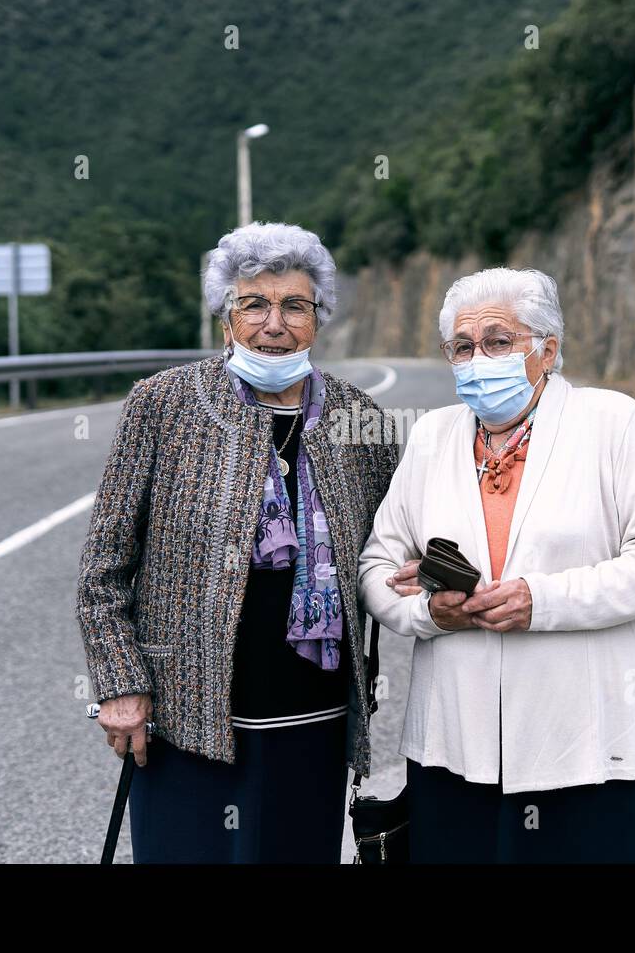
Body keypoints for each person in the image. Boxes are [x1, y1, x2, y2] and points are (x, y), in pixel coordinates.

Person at [76, 221, 398, 862]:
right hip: (186, 718)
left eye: (294, 306)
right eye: (254, 303)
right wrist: (119, 684)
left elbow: (390, 550)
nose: (273, 323)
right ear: (227, 318)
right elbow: (104, 568)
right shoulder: (163, 405)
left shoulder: (362, 421)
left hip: (314, 722)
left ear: (319, 319)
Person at [359, 266, 635, 862]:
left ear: (547, 350)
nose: (477, 357)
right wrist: (430, 612)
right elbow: (376, 567)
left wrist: (540, 600)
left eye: (497, 340)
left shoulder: (609, 423)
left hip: (583, 747)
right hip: (452, 747)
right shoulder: (434, 436)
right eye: (462, 347)